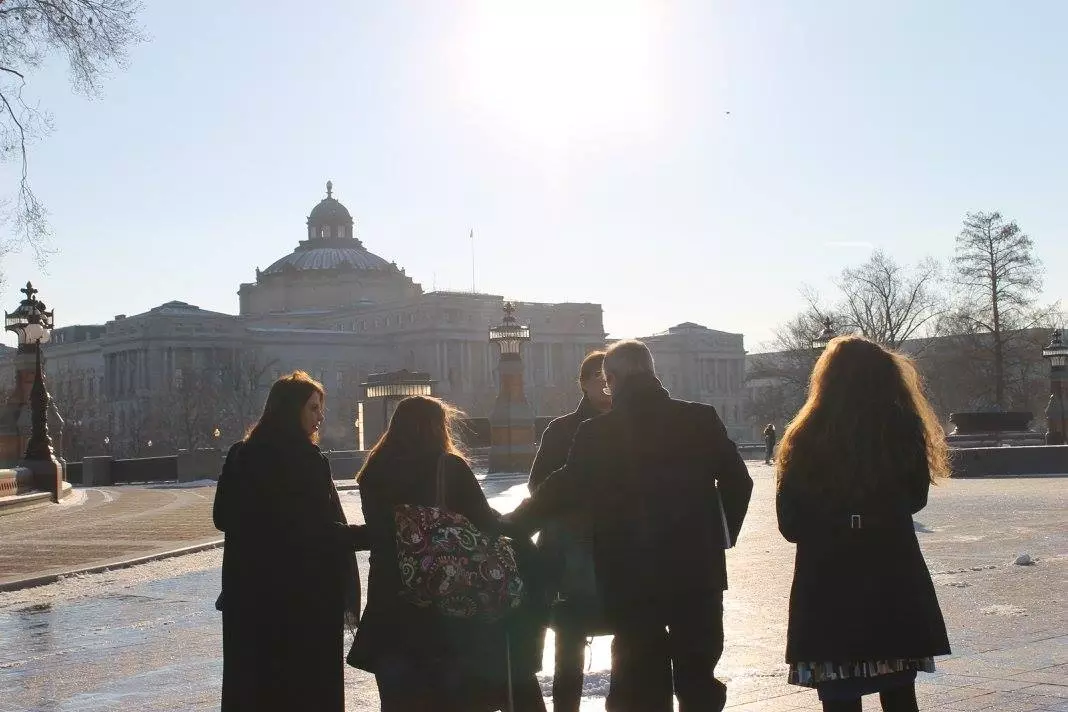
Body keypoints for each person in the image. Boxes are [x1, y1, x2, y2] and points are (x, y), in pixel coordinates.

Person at [508, 339, 753, 712]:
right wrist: (720, 536)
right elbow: (739, 482)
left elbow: (558, 491)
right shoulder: (699, 418)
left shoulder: (598, 432)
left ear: (614, 378)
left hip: (629, 572)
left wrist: (511, 525)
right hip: (696, 571)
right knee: (698, 674)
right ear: (653, 373)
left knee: (639, 679)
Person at [775, 336, 951, 712]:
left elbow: (790, 523)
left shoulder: (804, 436)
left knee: (840, 693)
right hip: (890, 573)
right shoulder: (902, 428)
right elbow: (915, 499)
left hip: (828, 581)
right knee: (899, 690)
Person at [348, 395, 547, 712]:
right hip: (444, 600)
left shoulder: (373, 472)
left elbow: (381, 534)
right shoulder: (448, 466)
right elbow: (484, 524)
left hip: (391, 602)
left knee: (401, 700)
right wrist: (519, 521)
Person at [213, 370, 368, 712]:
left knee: (254, 693)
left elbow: (222, 518)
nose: (320, 417)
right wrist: (371, 535)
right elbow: (319, 532)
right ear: (291, 410)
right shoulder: (306, 460)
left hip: (248, 601)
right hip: (303, 604)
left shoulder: (240, 454)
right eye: (313, 408)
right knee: (306, 693)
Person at [529, 350, 612, 712]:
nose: (606, 385)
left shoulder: (630, 426)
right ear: (583, 383)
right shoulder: (562, 429)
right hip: (570, 552)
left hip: (615, 548)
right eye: (599, 378)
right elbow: (538, 485)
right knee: (569, 644)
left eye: (611, 378)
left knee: (629, 641)